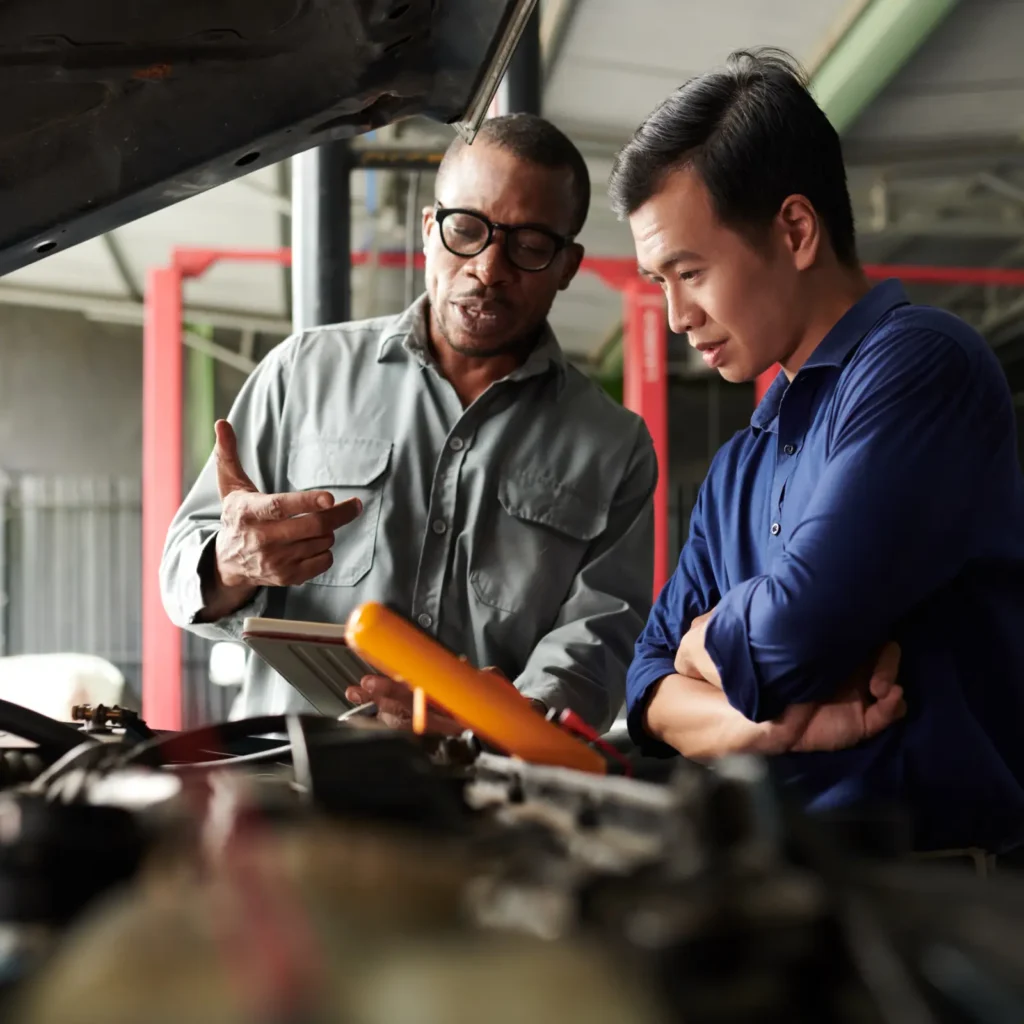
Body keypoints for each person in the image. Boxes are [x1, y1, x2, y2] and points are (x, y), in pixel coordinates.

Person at [609, 49, 1024, 854]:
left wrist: (703, 648)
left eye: (688, 271)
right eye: (658, 280)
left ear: (796, 230)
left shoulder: (921, 367)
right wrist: (764, 727)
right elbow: (645, 687)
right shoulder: (741, 464)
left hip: (941, 899)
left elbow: (790, 639)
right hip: (789, 882)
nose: (674, 316)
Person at [161, 113, 657, 733]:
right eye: (467, 230)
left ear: (567, 265)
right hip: (287, 785)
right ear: (429, 230)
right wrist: (229, 565)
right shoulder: (300, 375)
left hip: (480, 802)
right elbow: (181, 572)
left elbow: (598, 644)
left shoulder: (615, 448)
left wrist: (495, 718)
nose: (489, 268)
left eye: (529, 246)